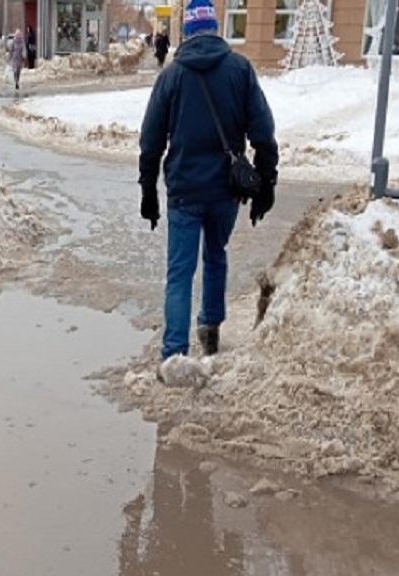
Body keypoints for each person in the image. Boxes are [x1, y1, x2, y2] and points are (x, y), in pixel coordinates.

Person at [138, 0, 278, 365]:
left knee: (180, 272)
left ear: (186, 31)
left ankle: (173, 355)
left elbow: (151, 141)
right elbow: (263, 133)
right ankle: (210, 329)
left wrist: (148, 191)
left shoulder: (171, 76)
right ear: (214, 28)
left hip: (184, 190)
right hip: (225, 192)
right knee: (216, 256)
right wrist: (266, 183)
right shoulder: (240, 70)